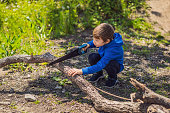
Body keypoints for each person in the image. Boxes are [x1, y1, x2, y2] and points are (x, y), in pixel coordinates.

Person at [67, 23, 124, 88]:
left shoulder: (112, 49)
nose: (94, 42)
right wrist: (89, 44)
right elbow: (95, 43)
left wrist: (81, 71)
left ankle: (112, 78)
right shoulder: (107, 38)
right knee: (92, 56)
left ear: (107, 41)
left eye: (96, 40)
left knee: (111, 64)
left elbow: (100, 65)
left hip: (114, 65)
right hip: (104, 59)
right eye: (93, 39)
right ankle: (98, 74)